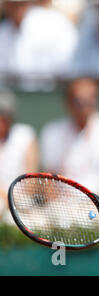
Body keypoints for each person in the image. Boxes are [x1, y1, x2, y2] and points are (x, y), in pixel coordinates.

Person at [40, 77, 99, 209]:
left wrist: (86, 206)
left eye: (88, 101)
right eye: (78, 101)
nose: (83, 107)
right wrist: (59, 206)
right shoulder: (52, 132)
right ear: (68, 102)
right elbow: (49, 179)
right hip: (61, 206)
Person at [0, 91, 39, 223]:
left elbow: (31, 185)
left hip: (21, 203)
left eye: (5, 116)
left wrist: (10, 199)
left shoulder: (25, 135)